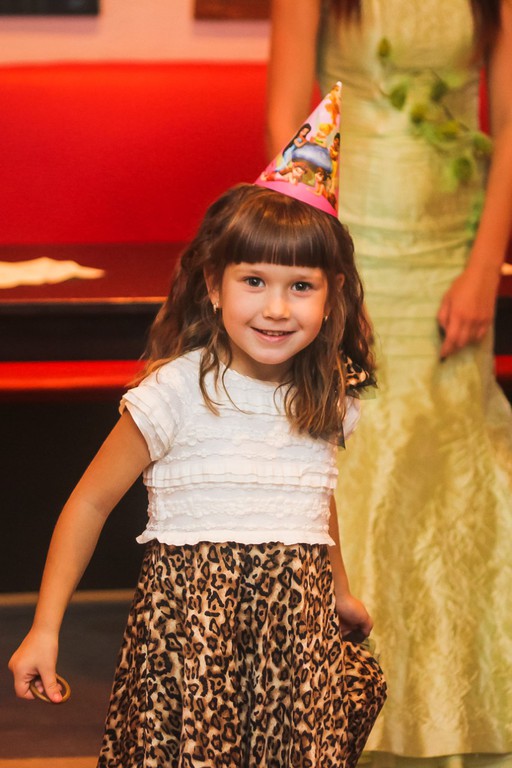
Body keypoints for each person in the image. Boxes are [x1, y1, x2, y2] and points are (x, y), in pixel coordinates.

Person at [8, 87, 387, 765]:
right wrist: (45, 626)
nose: (277, 308)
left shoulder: (327, 397)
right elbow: (89, 503)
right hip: (190, 647)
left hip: (296, 648)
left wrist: (340, 591)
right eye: (254, 282)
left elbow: (314, 501)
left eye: (301, 286)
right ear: (213, 285)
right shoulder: (176, 392)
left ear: (332, 298)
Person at [266, 1, 512, 767]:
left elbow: (510, 126)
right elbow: (286, 114)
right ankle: (331, 714)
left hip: (450, 246)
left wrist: (484, 269)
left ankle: (449, 713)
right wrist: (317, 267)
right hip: (347, 238)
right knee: (348, 456)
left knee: (446, 467)